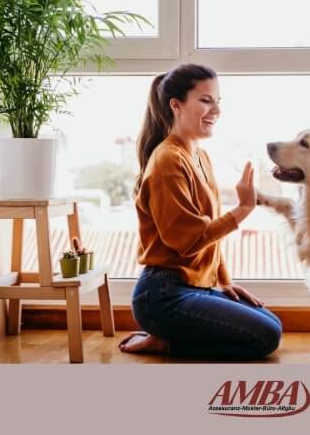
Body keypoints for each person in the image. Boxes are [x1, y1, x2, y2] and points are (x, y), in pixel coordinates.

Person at [118, 63, 282, 360]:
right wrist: (244, 208)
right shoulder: (167, 161)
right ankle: (165, 342)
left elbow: (208, 239)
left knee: (272, 324)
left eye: (218, 102)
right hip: (162, 295)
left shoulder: (199, 155)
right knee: (265, 337)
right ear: (176, 105)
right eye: (206, 100)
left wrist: (224, 281)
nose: (215, 110)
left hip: (195, 286)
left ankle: (170, 336)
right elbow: (187, 241)